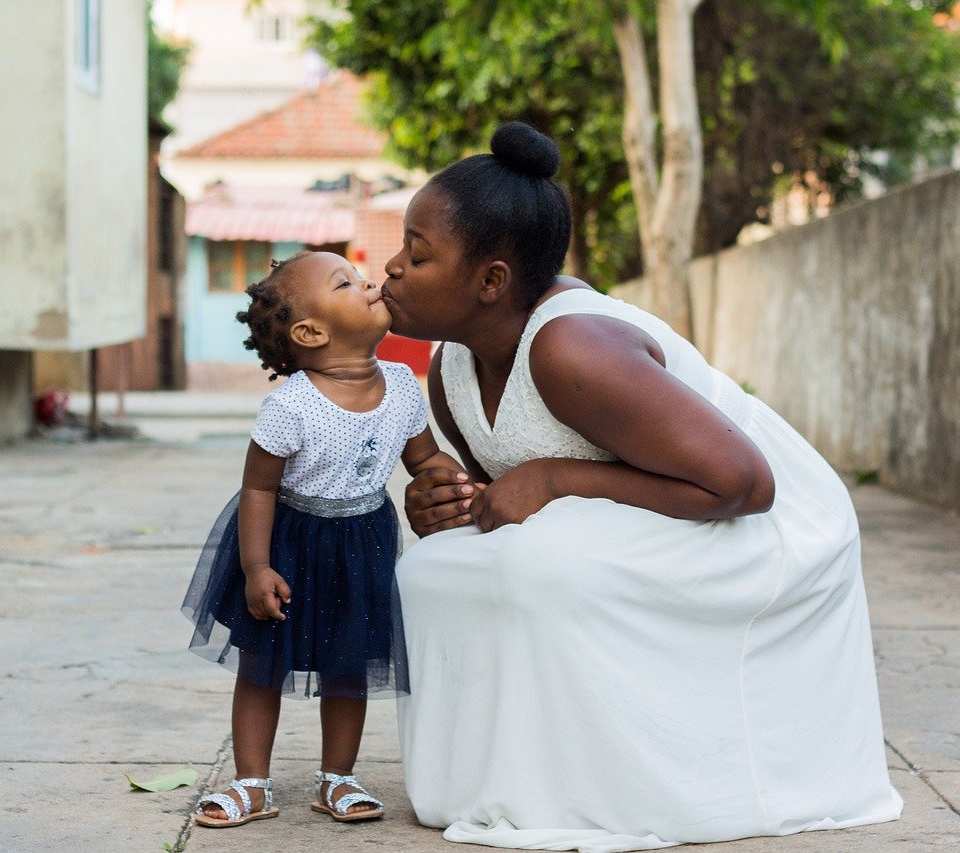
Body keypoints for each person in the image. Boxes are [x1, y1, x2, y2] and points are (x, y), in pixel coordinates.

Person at [384, 122, 904, 852]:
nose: (392, 268)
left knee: (545, 563)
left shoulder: (573, 347)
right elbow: (502, 499)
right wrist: (447, 500)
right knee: (431, 566)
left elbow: (746, 482)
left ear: (491, 281)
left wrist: (556, 477)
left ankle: (620, 788)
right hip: (658, 505)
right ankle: (504, 782)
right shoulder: (449, 369)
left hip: (773, 526)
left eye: (417, 253)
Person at [180, 251, 462, 829]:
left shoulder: (404, 387)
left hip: (364, 541)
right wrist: (256, 567)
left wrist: (457, 480)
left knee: (348, 663)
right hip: (290, 541)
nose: (369, 283)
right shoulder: (291, 404)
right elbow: (258, 489)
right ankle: (250, 783)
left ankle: (338, 778)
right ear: (311, 332)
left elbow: (423, 457)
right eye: (347, 282)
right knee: (261, 665)